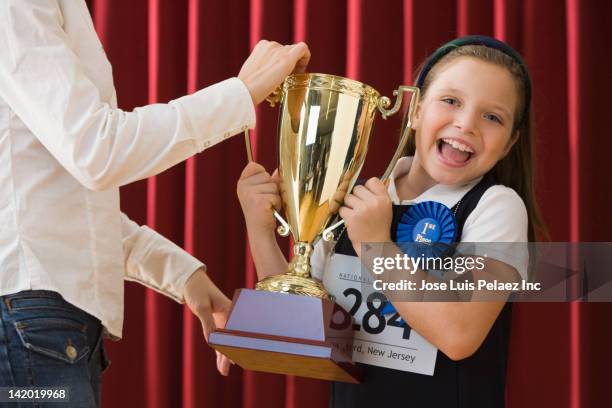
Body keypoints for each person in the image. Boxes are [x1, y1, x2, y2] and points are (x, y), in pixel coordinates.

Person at [0, 0, 310, 405]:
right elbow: (97, 151)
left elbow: (56, 206)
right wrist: (241, 92)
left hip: (53, 329)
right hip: (34, 325)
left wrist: (183, 276)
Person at [236, 35, 545, 407]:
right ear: (415, 110)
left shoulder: (496, 206)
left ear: (510, 143)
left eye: (492, 116)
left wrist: (374, 246)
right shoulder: (354, 197)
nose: (466, 124)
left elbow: (459, 335)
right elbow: (295, 328)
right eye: (450, 101)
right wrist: (260, 230)